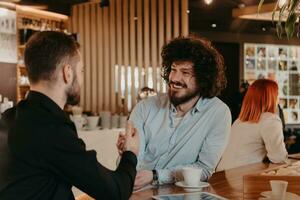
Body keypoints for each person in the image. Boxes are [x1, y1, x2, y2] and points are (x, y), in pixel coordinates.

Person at [0, 31, 139, 200]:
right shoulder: (52, 128)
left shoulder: (9, 117)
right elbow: (116, 191)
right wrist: (130, 153)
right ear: (67, 73)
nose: (82, 78)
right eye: (81, 70)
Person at [118, 36, 231, 189]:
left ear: (203, 78)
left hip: (179, 194)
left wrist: (156, 175)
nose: (175, 78)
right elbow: (132, 160)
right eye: (173, 70)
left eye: (185, 72)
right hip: (136, 192)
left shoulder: (218, 113)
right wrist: (126, 154)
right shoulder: (145, 108)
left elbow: (204, 168)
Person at [217, 79, 288, 171]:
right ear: (271, 98)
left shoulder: (238, 121)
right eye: (277, 95)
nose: (278, 99)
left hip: (221, 176)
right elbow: (279, 158)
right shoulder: (270, 119)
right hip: (242, 179)